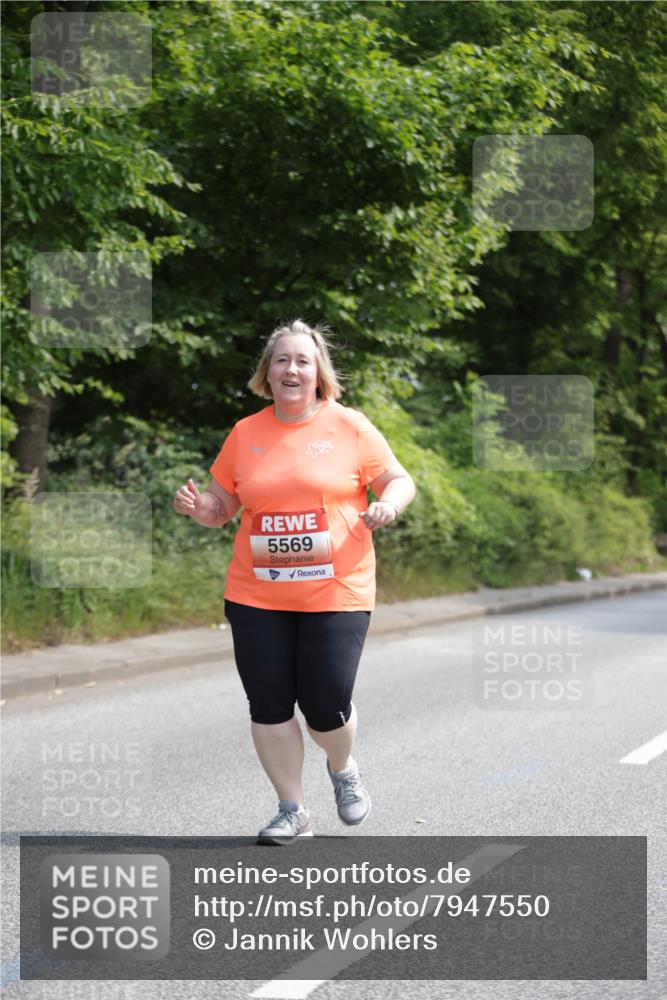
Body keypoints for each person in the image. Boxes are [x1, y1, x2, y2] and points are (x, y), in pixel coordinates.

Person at [173, 319, 415, 845]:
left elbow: (398, 478)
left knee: (325, 705)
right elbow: (223, 506)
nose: (291, 369)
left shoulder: (349, 426)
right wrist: (200, 508)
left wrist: (387, 506)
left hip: (337, 589)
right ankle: (292, 809)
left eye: (302, 361)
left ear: (318, 373)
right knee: (269, 704)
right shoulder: (246, 433)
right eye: (281, 360)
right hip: (257, 593)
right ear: (268, 372)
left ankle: (342, 764)